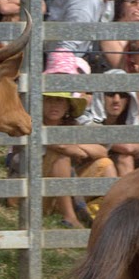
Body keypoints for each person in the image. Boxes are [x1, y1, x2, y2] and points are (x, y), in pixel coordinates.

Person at [40, 51, 112, 228]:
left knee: (105, 164)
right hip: (36, 195)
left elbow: (102, 151)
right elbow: (61, 145)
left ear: (67, 106)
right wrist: (73, 148)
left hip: (64, 193)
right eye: (49, 99)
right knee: (61, 157)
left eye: (60, 101)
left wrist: (77, 146)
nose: (54, 105)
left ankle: (107, 217)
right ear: (40, 102)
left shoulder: (72, 126)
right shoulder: (34, 123)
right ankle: (69, 216)